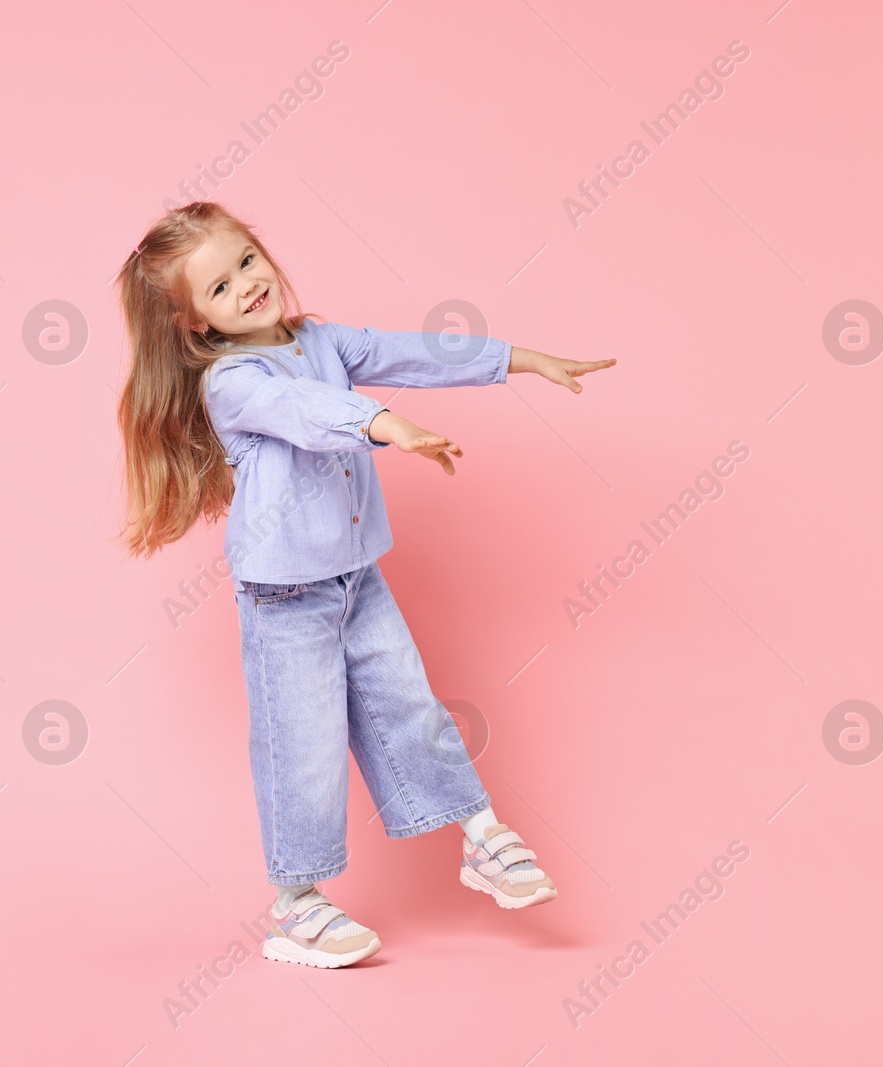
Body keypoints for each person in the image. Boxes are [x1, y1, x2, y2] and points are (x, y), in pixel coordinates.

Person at [113, 202, 615, 968]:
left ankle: (479, 836)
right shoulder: (233, 380)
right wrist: (388, 426)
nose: (247, 284)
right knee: (303, 746)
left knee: (412, 705)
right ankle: (296, 905)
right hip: (285, 597)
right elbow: (306, 411)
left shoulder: (321, 340)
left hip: (355, 578)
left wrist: (519, 358)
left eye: (247, 259)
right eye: (219, 288)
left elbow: (412, 352)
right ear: (196, 326)